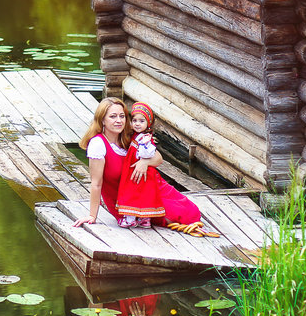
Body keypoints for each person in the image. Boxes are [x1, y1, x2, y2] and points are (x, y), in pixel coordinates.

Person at [72, 97, 219, 237]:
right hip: (127, 202)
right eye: (113, 116)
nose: (118, 121)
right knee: (173, 218)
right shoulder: (98, 145)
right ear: (102, 119)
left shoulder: (128, 137)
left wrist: (144, 162)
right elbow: (96, 183)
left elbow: (158, 159)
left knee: (191, 213)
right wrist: (92, 215)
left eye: (122, 116)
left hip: (150, 188)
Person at [114, 102, 166, 228]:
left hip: (138, 170)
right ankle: (144, 219)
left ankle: (131, 218)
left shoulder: (145, 138)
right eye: (135, 120)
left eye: (141, 121)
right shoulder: (136, 136)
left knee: (133, 194)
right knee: (142, 194)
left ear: (148, 123)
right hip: (135, 169)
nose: (137, 123)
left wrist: (144, 151)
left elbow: (148, 153)